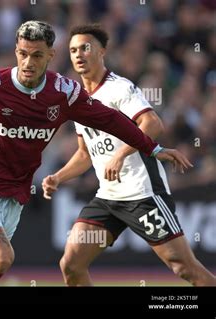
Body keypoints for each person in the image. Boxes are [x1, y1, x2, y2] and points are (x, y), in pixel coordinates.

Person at [0, 21, 192, 287]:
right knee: (1, 258)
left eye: (37, 55)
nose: (28, 62)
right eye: (23, 54)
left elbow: (112, 120)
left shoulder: (64, 93)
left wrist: (152, 147)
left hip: (13, 198)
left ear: (50, 56)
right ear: (16, 51)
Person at [42, 24, 216, 286]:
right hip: (108, 199)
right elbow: (85, 153)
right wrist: (58, 176)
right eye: (73, 50)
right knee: (71, 264)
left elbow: (153, 123)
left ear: (102, 51)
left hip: (143, 194)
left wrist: (121, 154)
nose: (79, 54)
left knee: (184, 268)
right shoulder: (77, 100)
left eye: (85, 48)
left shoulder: (119, 88)